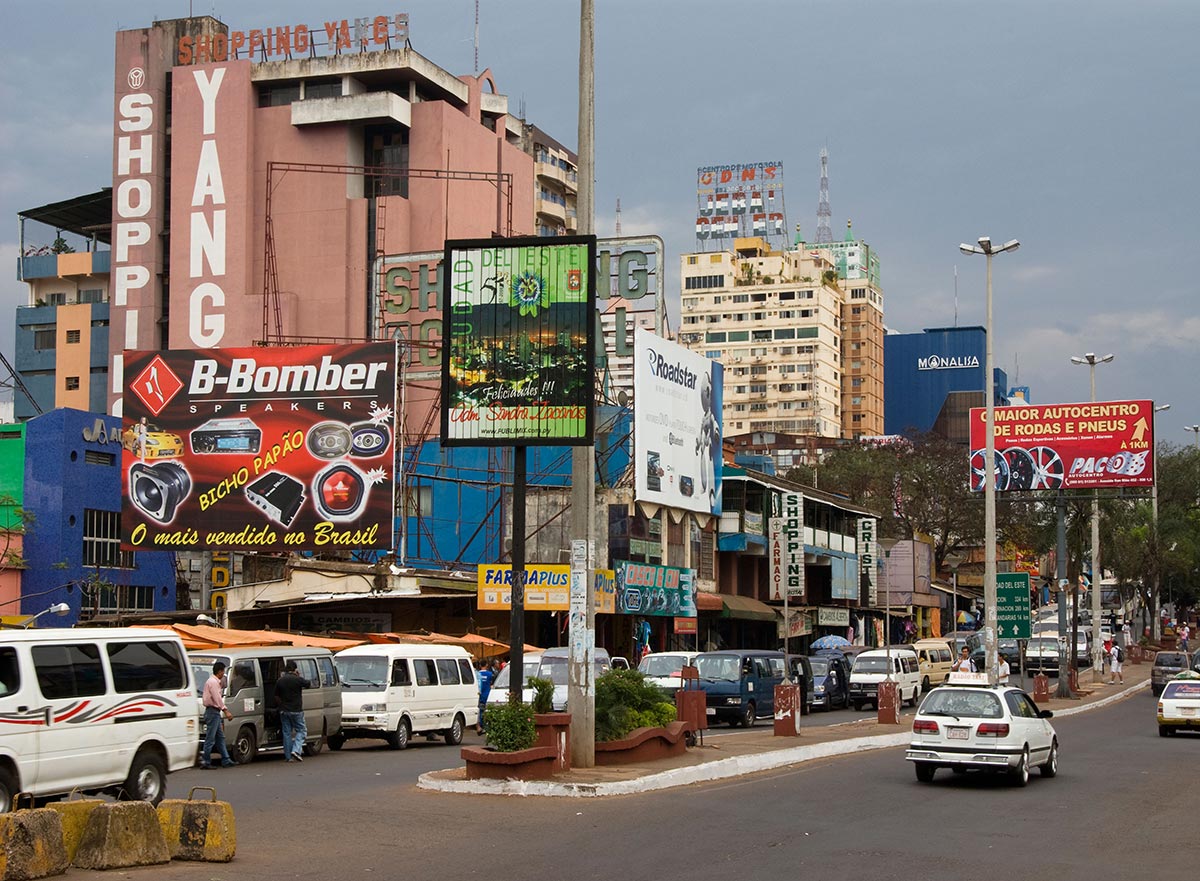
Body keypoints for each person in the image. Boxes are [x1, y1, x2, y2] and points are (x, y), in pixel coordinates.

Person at [200, 661, 236, 769]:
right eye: (223, 671)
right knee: (210, 739)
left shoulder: (212, 682)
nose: (223, 674)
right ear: (220, 671)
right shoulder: (213, 683)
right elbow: (217, 698)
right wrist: (226, 710)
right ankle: (206, 761)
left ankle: (226, 759)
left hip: (214, 712)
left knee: (220, 737)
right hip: (213, 712)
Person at [275, 660, 308, 762]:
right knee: (301, 730)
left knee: (286, 733)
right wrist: (298, 676)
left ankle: (288, 756)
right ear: (295, 669)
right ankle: (296, 750)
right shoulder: (297, 680)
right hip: (296, 710)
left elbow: (276, 695)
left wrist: (281, 705)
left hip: (284, 710)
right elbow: (308, 684)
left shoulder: (280, 680)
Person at [476, 659, 494, 736]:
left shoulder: (476, 674)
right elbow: (491, 684)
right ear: (486, 665)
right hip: (487, 694)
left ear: (480, 665)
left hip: (479, 695)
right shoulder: (490, 674)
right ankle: (487, 727)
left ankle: (481, 725)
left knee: (480, 710)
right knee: (487, 711)